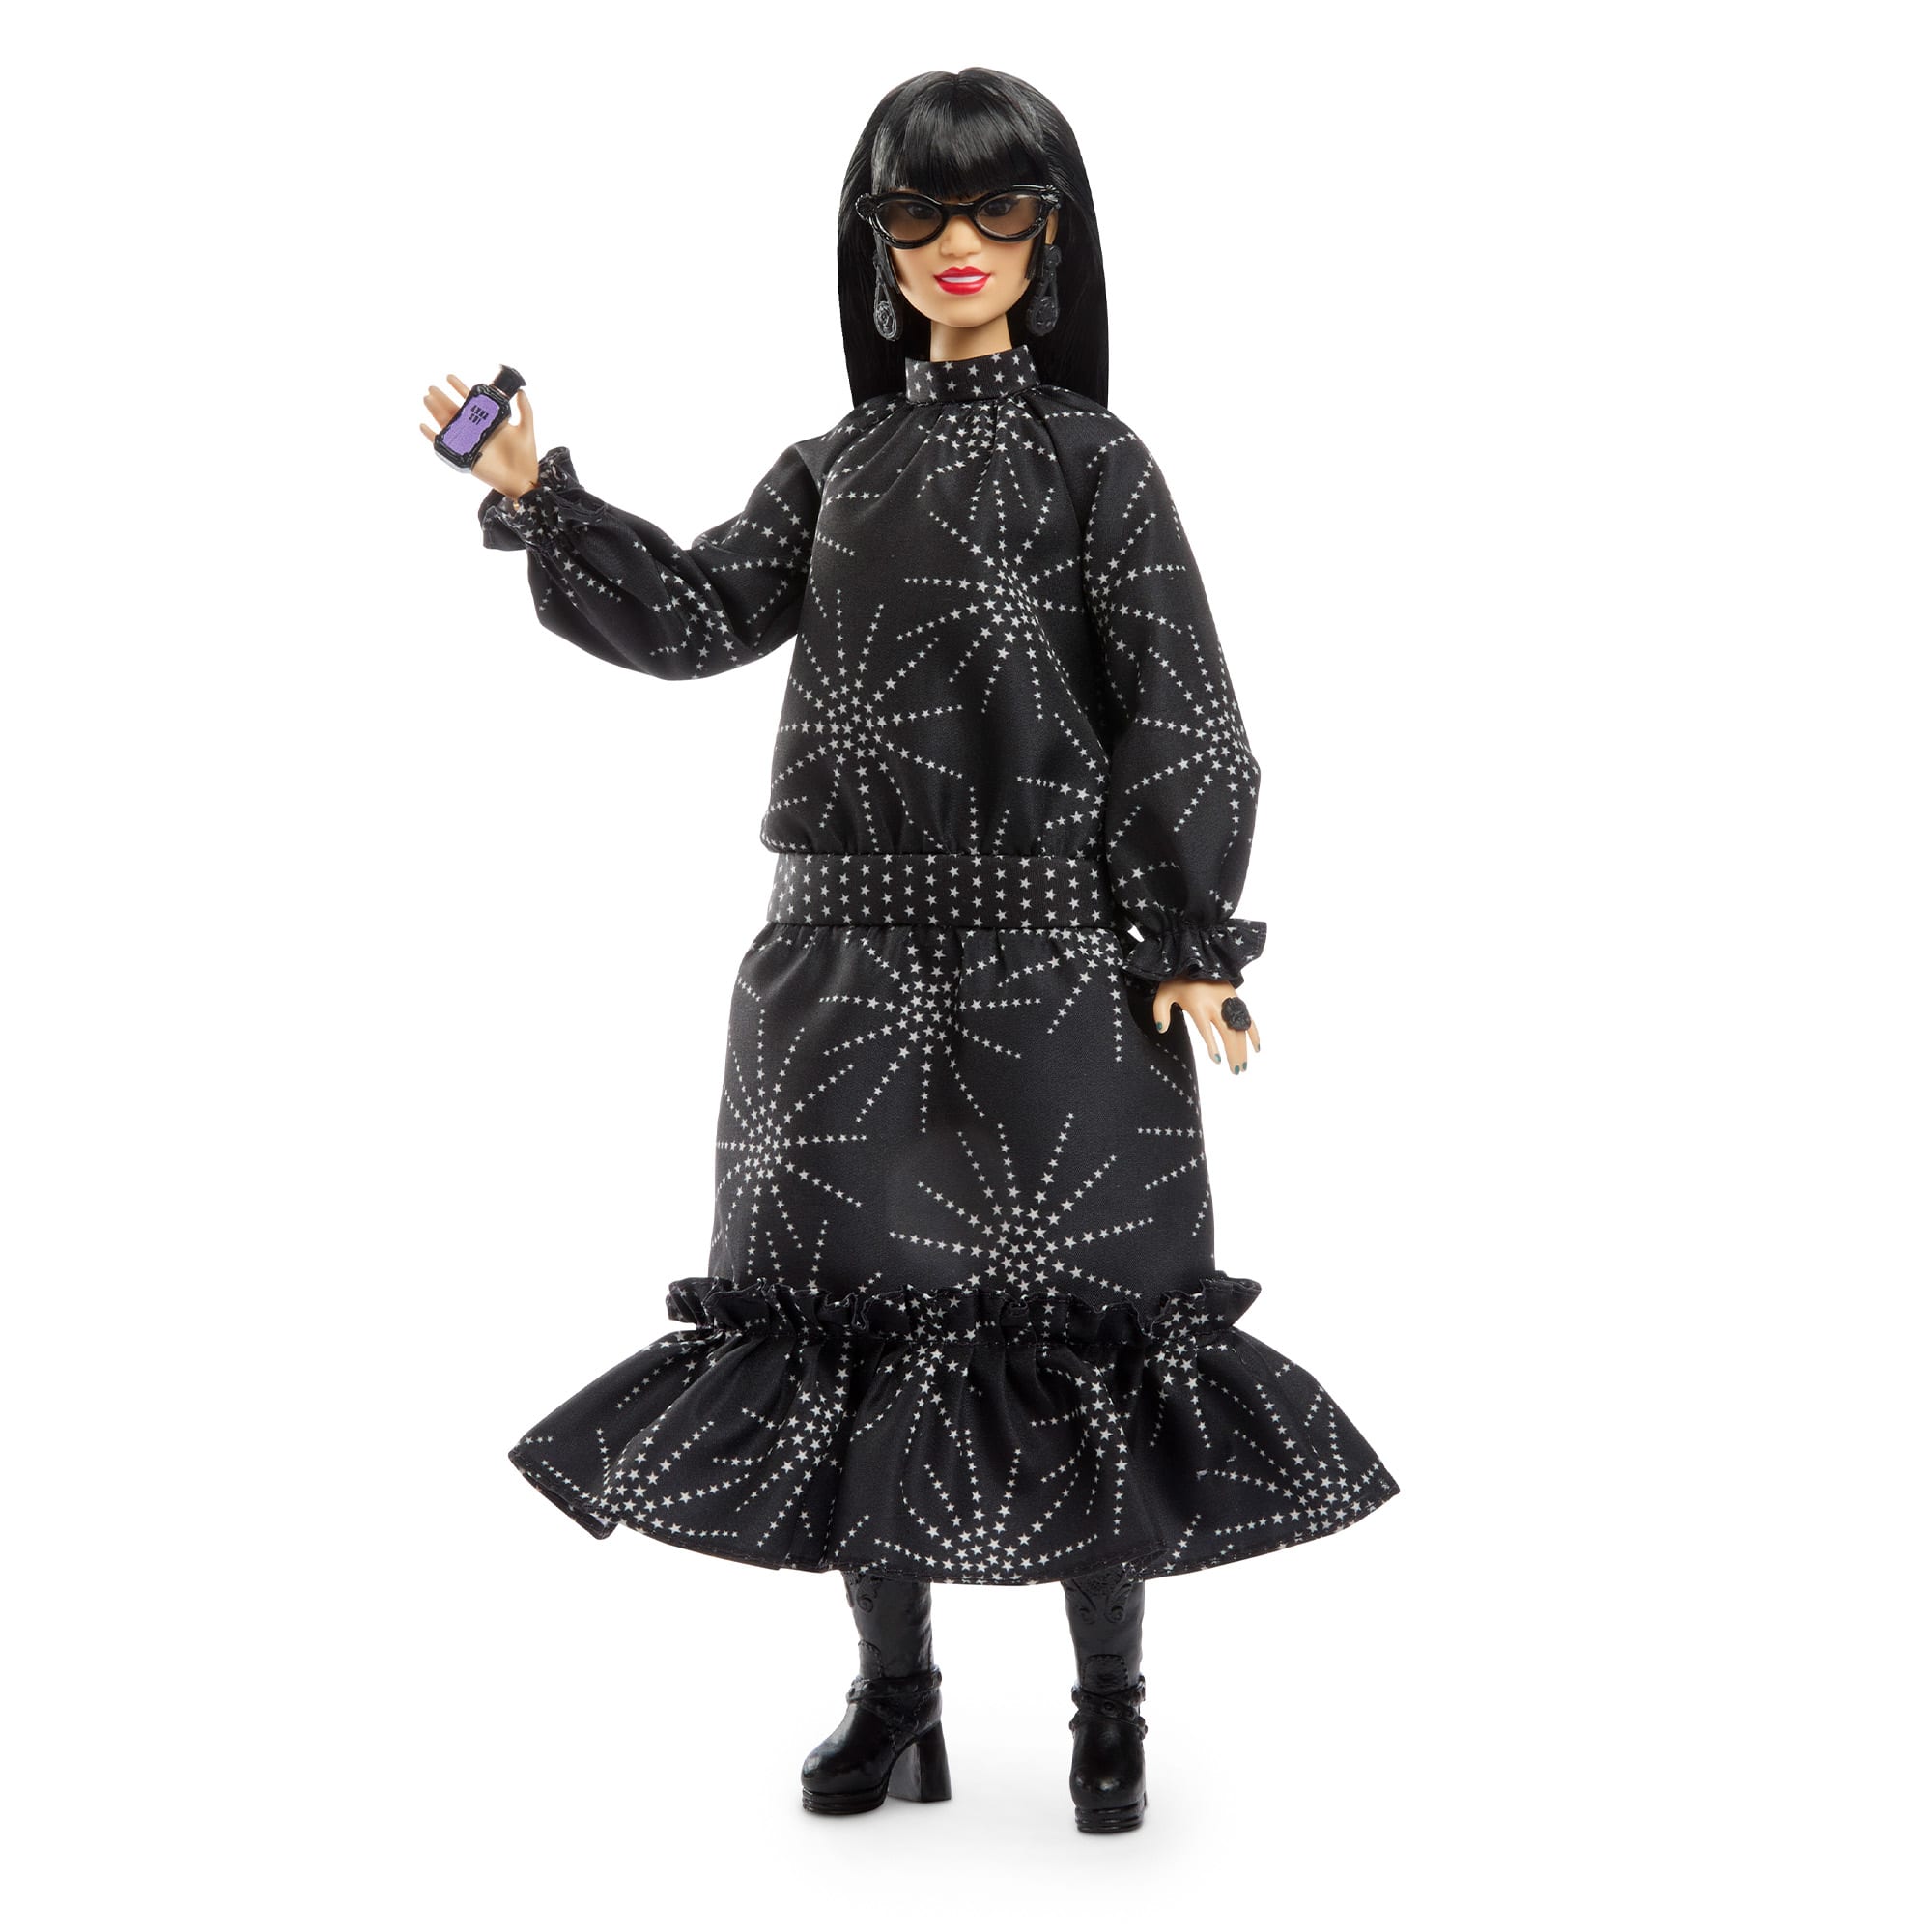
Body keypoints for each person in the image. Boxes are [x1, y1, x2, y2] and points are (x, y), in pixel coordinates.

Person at [420, 66, 1399, 1833]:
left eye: (998, 210)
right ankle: (897, 1698)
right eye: (916, 212)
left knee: (1085, 1326)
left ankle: (1111, 1704)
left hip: (1058, 968)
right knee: (851, 1325)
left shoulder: (1098, 463)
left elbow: (1184, 702)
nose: (959, 243)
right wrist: (539, 496)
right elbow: (698, 614)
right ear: (873, 246)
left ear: (1050, 238)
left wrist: (1187, 930)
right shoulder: (837, 466)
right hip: (839, 971)